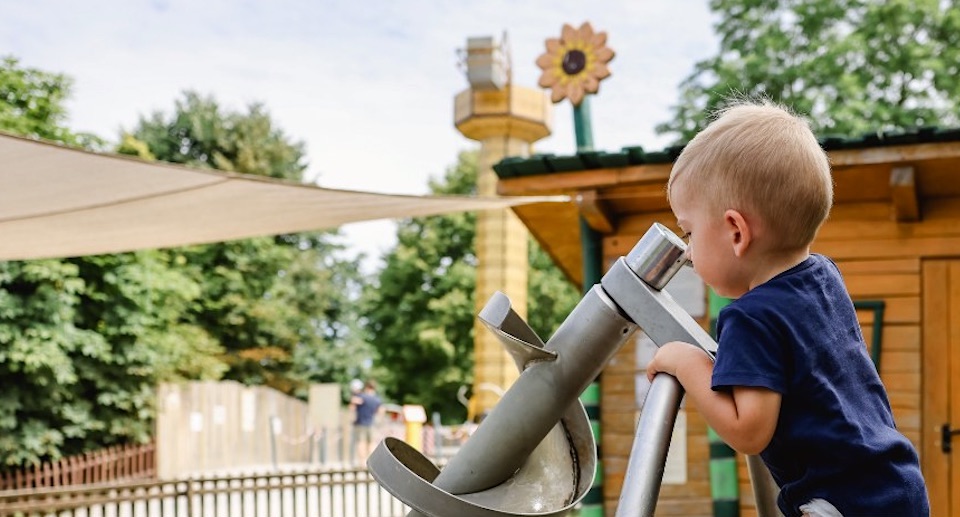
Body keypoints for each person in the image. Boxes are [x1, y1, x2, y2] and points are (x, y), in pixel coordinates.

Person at [645, 99, 929, 516]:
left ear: (736, 232)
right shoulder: (824, 277)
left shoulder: (749, 317)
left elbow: (749, 431)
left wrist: (684, 362)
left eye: (690, 232)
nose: (688, 252)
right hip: (893, 484)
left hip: (843, 505)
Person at [350, 379, 382, 464]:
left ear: (367, 387)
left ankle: (362, 462)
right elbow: (379, 411)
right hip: (371, 424)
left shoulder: (362, 396)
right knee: (371, 443)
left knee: (361, 443)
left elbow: (352, 405)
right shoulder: (377, 399)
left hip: (360, 423)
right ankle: (371, 462)